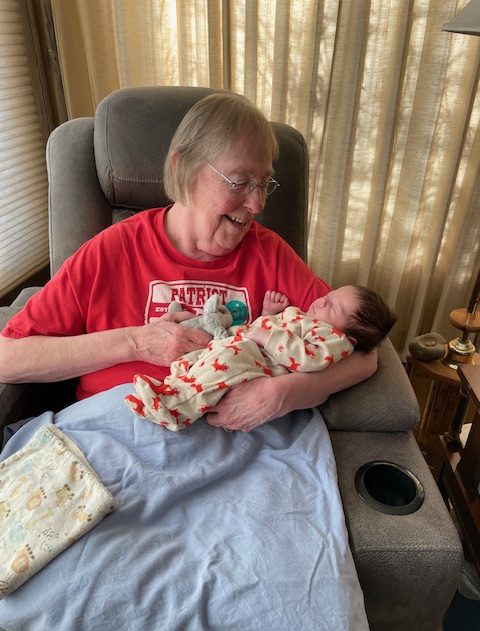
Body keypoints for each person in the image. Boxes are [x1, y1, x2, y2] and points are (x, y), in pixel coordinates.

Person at [0, 91, 378, 432]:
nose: (258, 203)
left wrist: (284, 394)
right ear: (185, 169)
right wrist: (134, 342)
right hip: (119, 425)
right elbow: (8, 358)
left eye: (264, 183)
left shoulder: (271, 254)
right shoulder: (111, 251)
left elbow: (363, 354)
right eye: (240, 181)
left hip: (232, 436)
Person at [125, 286, 396, 431]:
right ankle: (174, 386)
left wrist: (266, 336)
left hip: (253, 365)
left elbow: (305, 358)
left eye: (333, 307)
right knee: (196, 361)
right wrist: (268, 314)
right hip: (239, 348)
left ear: (350, 338)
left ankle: (175, 408)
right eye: (328, 295)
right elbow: (269, 329)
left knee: (220, 368)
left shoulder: (333, 338)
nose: (323, 301)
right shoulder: (307, 317)